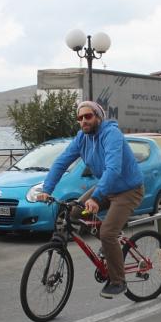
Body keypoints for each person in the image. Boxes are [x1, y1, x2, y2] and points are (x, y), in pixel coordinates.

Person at [37, 101, 144, 298]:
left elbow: (113, 168)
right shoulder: (82, 137)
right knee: (74, 213)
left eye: (88, 116)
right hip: (106, 187)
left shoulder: (111, 134)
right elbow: (61, 162)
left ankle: (118, 281)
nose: (83, 121)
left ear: (98, 117)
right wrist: (47, 189)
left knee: (108, 233)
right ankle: (109, 242)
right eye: (80, 118)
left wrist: (95, 197)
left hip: (128, 190)